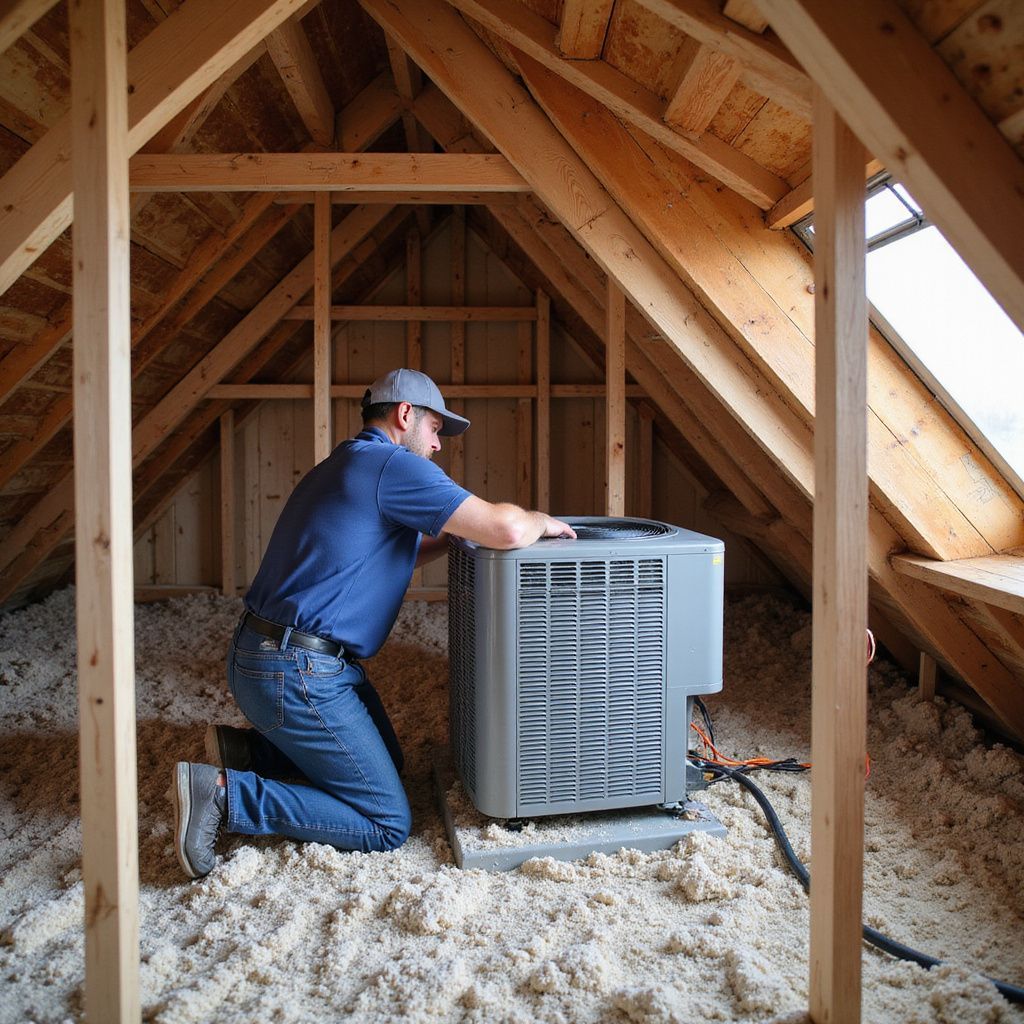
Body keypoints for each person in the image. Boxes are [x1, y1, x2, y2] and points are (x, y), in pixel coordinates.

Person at [171, 368, 576, 879]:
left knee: (388, 761)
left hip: (267, 656)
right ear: (405, 414)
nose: (437, 445)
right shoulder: (393, 466)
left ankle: (250, 751)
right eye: (434, 429)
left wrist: (455, 532)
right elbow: (508, 526)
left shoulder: (347, 462)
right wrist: (538, 519)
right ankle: (228, 797)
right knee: (385, 821)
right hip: (295, 674)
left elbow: (383, 550)